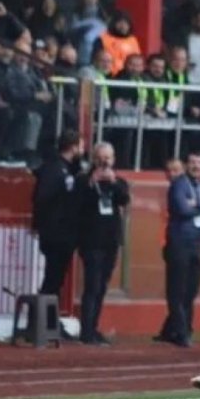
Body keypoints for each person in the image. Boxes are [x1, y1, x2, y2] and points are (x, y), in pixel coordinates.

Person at [155, 152, 200, 347]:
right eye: (192, 162)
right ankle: (183, 332)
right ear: (186, 165)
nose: (196, 166)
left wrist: (198, 204)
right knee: (176, 290)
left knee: (191, 289)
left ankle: (172, 330)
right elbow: (182, 209)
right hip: (179, 243)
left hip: (197, 244)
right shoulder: (179, 184)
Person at [32, 130, 85, 339]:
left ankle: (49, 322)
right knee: (52, 279)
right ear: (72, 146)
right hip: (55, 233)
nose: (82, 150)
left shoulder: (64, 168)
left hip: (60, 233)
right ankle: (45, 323)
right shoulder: (55, 169)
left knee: (55, 279)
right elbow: (45, 199)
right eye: (80, 146)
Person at [77, 142, 129, 346]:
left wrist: (114, 182)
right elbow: (77, 202)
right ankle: (86, 331)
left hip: (110, 241)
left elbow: (124, 199)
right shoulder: (83, 180)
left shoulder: (119, 181)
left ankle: (94, 327)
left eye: (108, 157)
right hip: (91, 241)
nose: (104, 161)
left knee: (101, 287)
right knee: (92, 285)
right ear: (94, 159)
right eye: (101, 157)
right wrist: (92, 183)